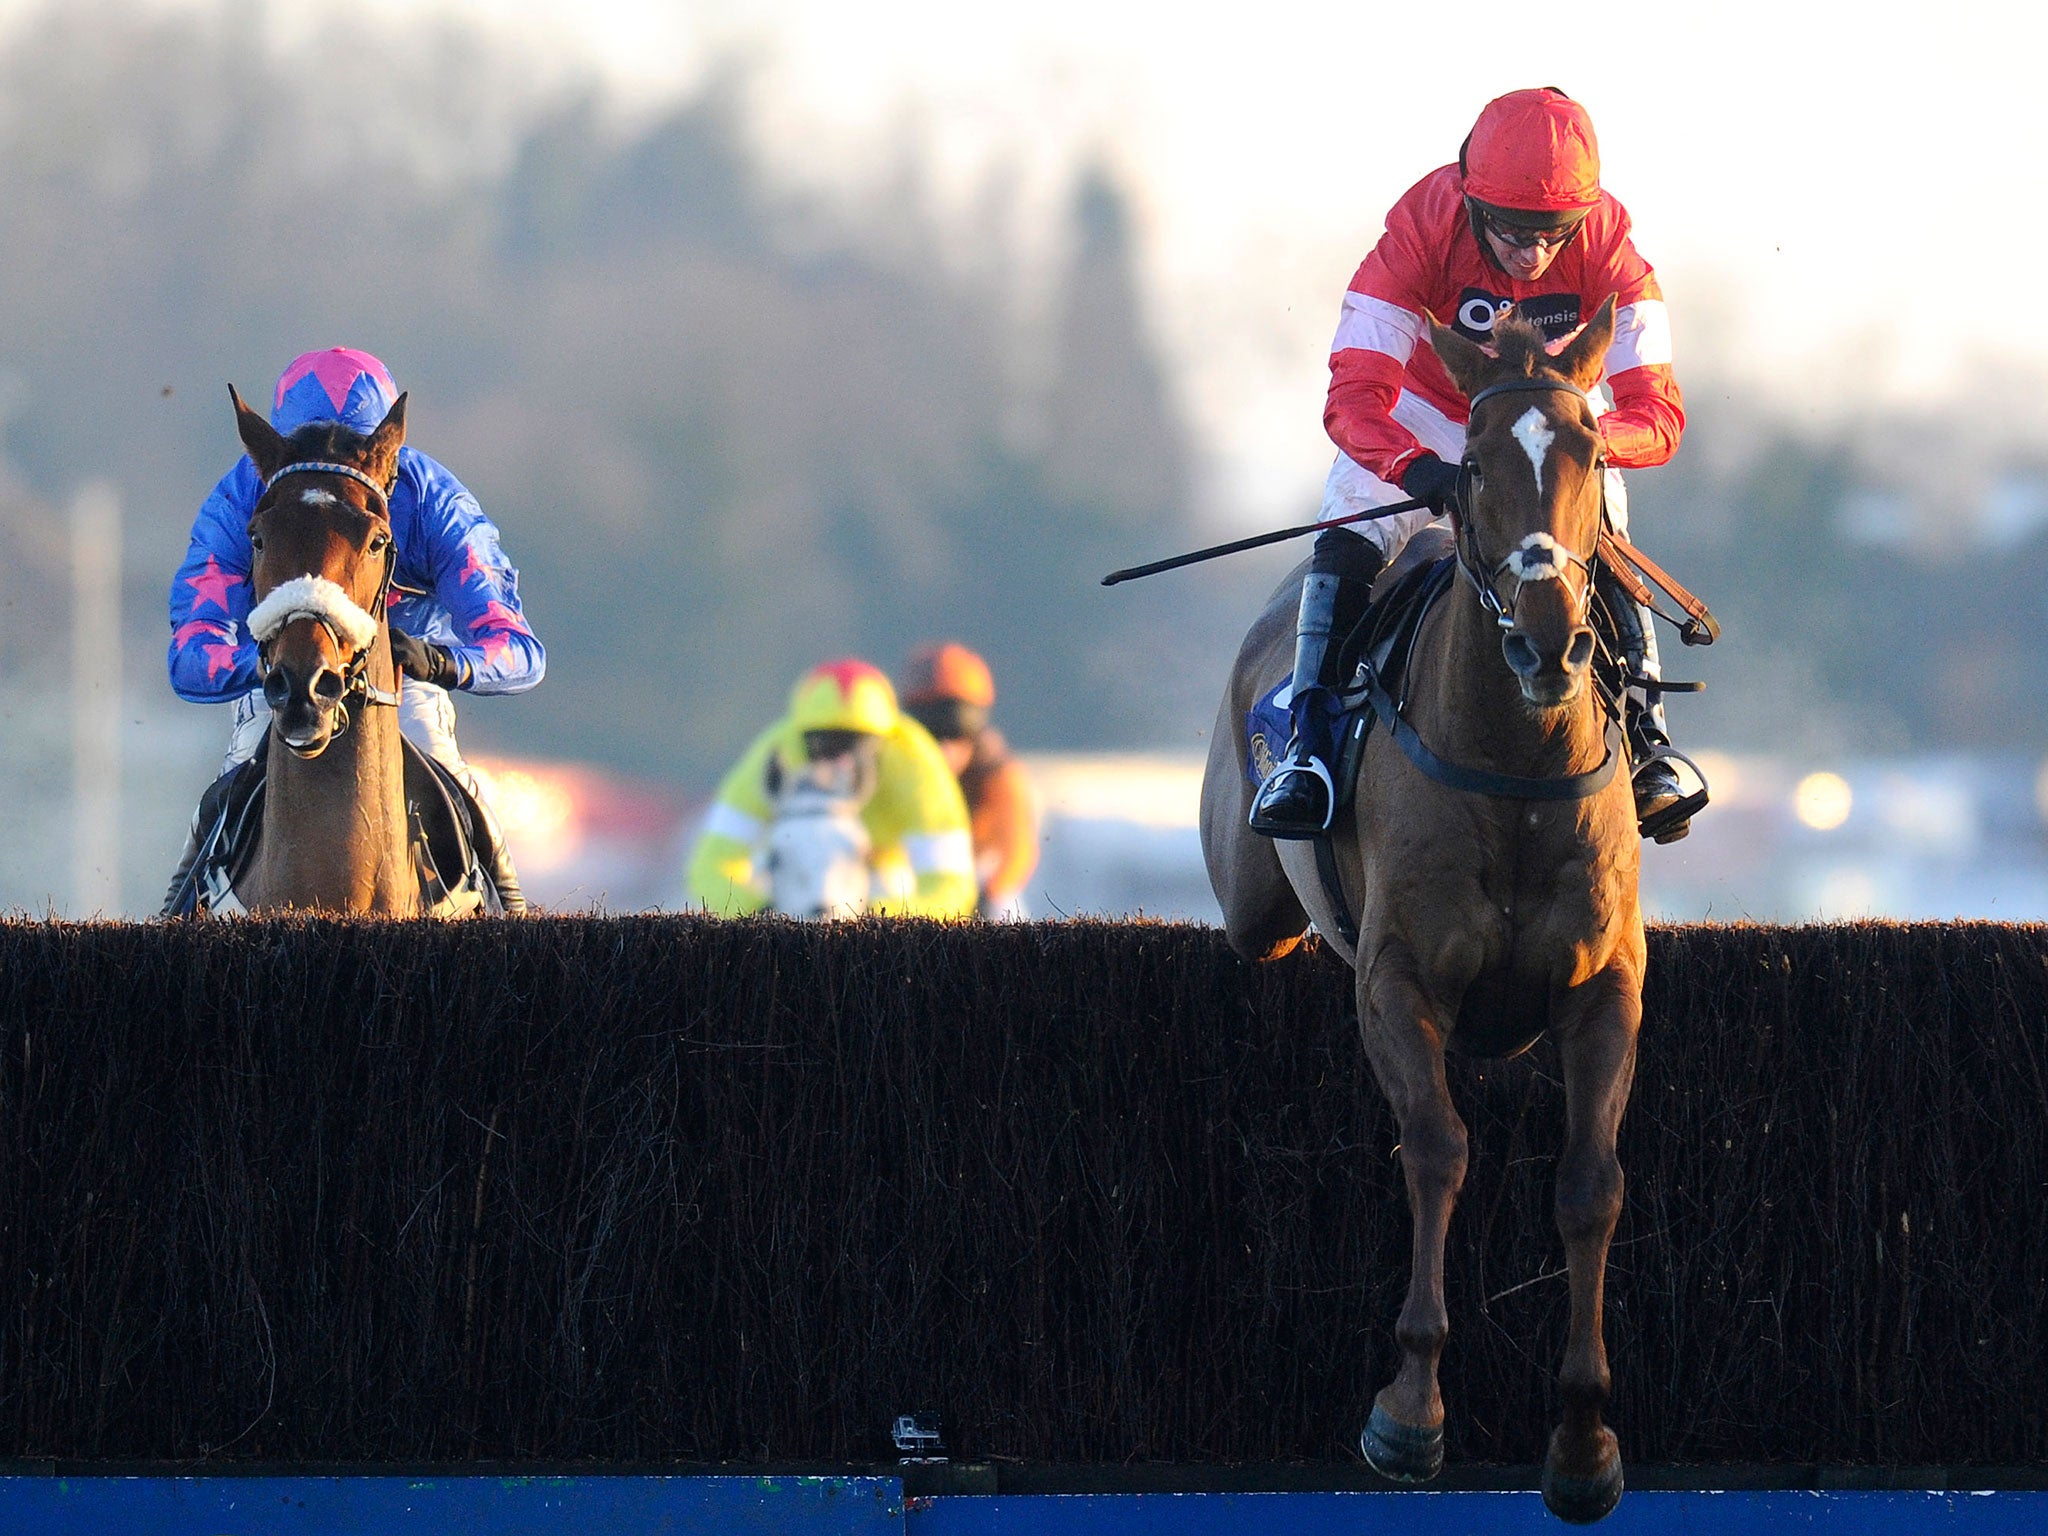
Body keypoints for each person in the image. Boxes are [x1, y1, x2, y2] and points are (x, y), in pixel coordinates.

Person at [1249, 86, 1700, 843]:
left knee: (1605, 537)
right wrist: (1416, 467)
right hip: (1424, 414)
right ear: (1470, 198)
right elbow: (1355, 395)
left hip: (1551, 425)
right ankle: (1309, 750)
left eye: (1554, 233)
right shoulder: (1418, 230)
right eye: (1514, 231)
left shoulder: (1610, 241)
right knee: (1347, 537)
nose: (1533, 254)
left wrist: (1580, 443)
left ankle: (1650, 739)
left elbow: (1657, 412)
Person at [164, 347, 543, 911]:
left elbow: (517, 650)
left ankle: (517, 930)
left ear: (385, 457)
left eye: (353, 453)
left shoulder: (438, 504)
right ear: (276, 455)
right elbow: (192, 649)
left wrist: (438, 661)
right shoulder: (240, 496)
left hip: (400, 682)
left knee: (461, 788)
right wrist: (267, 666)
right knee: (221, 799)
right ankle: (170, 930)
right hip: (279, 674)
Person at [687, 658, 978, 918]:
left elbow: (950, 887)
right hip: (795, 882)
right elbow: (710, 867)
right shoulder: (777, 752)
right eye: (826, 744)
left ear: (884, 741)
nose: (841, 764)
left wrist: (883, 920)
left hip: (886, 879)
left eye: (856, 746)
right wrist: (758, 912)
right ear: (801, 737)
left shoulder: (915, 764)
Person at [899, 642, 1041, 919]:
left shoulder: (998, 773)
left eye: (957, 730)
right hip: (914, 877)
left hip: (979, 878)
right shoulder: (894, 766)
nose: (944, 748)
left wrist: (989, 891)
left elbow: (1018, 847)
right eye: (930, 731)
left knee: (1007, 908)